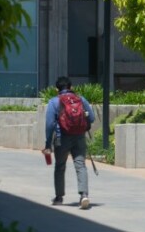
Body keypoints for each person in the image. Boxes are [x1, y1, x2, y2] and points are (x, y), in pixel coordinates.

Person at [43, 76, 95, 209]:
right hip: (79, 137)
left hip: (62, 138)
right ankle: (84, 195)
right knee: (80, 165)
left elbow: (49, 125)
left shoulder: (54, 102)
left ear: (57, 89)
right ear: (71, 87)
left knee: (60, 166)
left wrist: (48, 144)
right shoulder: (81, 99)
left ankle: (59, 197)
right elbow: (92, 117)